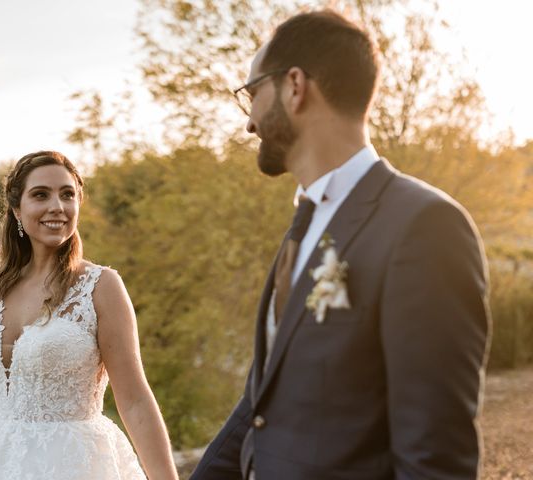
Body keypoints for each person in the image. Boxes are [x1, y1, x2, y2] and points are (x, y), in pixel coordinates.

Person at [191, 9, 490, 480]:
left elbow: (435, 456)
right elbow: (260, 404)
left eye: (252, 94)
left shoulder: (424, 226)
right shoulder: (305, 222)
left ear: (294, 86)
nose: (248, 122)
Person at [0, 151, 179, 480]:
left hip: (73, 465)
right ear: (17, 210)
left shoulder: (101, 286)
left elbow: (134, 400)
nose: (57, 207)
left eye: (67, 194)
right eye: (40, 195)